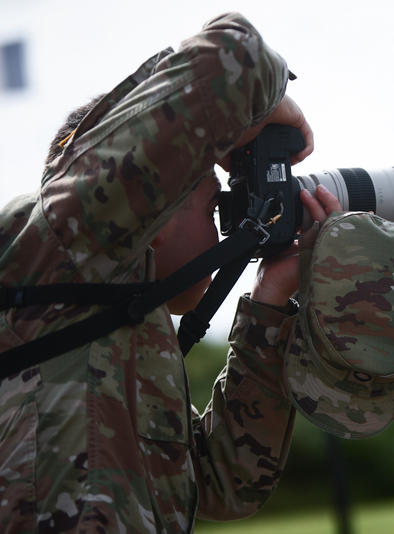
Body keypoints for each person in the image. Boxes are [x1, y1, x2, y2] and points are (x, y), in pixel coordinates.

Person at [0, 13, 343, 533]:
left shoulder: (123, 321)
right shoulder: (65, 237)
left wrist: (271, 301)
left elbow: (227, 481)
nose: (224, 229)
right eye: (211, 209)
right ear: (146, 207)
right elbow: (236, 56)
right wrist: (276, 108)